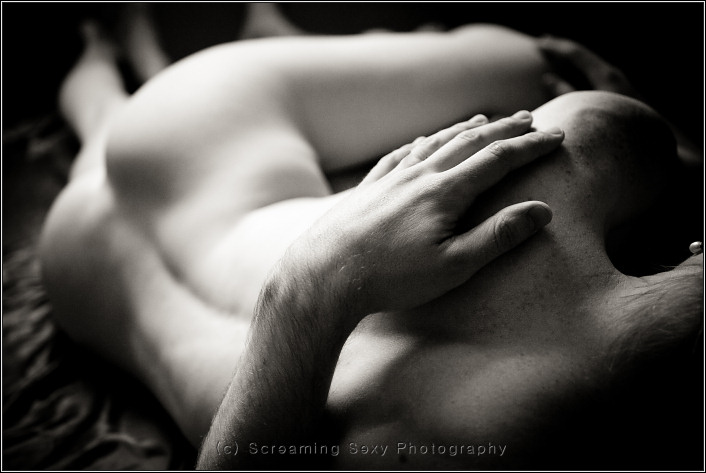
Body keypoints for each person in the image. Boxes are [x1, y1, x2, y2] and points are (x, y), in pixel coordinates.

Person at [39, 5, 703, 470]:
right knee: (103, 137)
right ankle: (125, 66)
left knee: (533, 69)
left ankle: (133, 56)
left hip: (162, 167)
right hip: (77, 267)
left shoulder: (489, 420)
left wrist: (317, 279)